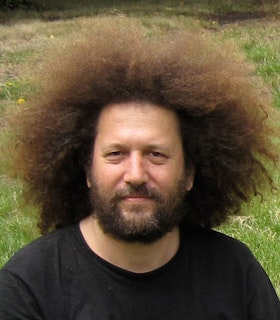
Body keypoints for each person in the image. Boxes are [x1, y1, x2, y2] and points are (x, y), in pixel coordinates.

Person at [0, 18, 279, 319]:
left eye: (157, 154)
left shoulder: (236, 273)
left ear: (189, 174)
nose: (135, 174)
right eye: (116, 154)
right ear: (87, 170)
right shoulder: (27, 289)